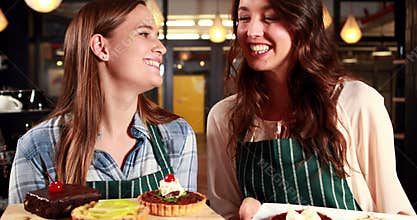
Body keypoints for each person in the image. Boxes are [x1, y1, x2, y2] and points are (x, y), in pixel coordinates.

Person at [206, 0, 416, 219]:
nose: (252, 31)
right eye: (244, 19)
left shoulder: (358, 104)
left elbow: (395, 213)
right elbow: (224, 213)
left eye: (270, 18)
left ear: (303, 24)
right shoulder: (224, 117)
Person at [9, 0, 197, 204]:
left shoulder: (177, 135)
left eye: (157, 36)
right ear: (101, 47)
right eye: (144, 33)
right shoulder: (38, 147)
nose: (161, 48)